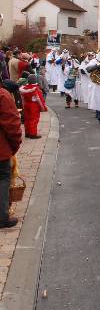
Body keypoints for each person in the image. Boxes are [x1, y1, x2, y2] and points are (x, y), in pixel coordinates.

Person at [0, 78, 22, 229]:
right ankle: (2, 217)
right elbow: (12, 124)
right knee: (3, 179)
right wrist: (14, 146)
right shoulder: (2, 95)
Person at [19, 74, 47, 139]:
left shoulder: (24, 88)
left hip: (26, 104)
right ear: (35, 80)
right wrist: (42, 107)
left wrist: (23, 105)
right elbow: (39, 98)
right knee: (34, 119)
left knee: (27, 119)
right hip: (33, 106)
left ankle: (27, 133)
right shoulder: (35, 88)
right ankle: (33, 134)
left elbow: (22, 97)